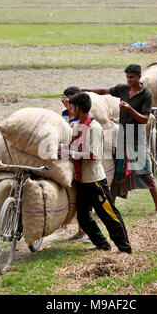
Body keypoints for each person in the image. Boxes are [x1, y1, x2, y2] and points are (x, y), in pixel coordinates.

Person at [82, 64, 157, 217]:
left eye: (131, 77)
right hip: (123, 135)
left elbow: (145, 119)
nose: (129, 80)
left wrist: (130, 109)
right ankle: (110, 209)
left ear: (139, 77)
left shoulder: (147, 95)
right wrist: (86, 90)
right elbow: (104, 91)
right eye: (127, 77)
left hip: (136, 136)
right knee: (118, 174)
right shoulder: (123, 89)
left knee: (145, 172)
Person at [59, 92, 132, 254]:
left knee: (108, 214)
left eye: (72, 107)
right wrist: (64, 150)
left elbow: (94, 154)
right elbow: (74, 146)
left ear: (78, 108)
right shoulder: (78, 125)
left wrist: (71, 154)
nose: (71, 109)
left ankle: (124, 248)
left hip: (95, 180)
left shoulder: (94, 127)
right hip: (82, 180)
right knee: (84, 218)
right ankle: (102, 244)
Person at [60, 86, 92, 242]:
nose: (68, 103)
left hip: (82, 161)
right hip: (71, 155)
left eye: (71, 100)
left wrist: (71, 112)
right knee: (79, 200)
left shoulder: (87, 119)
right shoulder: (65, 113)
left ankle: (87, 232)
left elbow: (73, 130)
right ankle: (81, 230)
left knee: (86, 201)